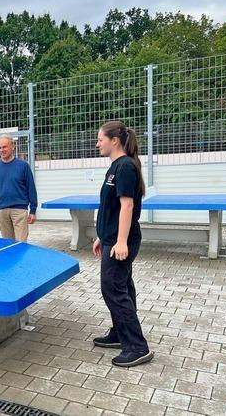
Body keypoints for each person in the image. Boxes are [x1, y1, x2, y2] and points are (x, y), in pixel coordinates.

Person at [92, 120, 153, 367]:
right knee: (123, 287)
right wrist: (102, 236)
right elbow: (113, 208)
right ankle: (120, 333)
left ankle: (137, 346)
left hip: (122, 241)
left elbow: (127, 206)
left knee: (113, 290)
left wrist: (120, 241)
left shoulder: (125, 166)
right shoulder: (116, 166)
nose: (97, 144)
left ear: (114, 140)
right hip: (112, 238)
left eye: (100, 139)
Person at [0, 135, 37, 242]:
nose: (2, 150)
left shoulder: (23, 166)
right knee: (7, 245)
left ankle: (21, 259)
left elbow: (31, 188)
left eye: (5, 147)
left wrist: (33, 210)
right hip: (2, 211)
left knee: (21, 244)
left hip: (19, 210)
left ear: (13, 147)